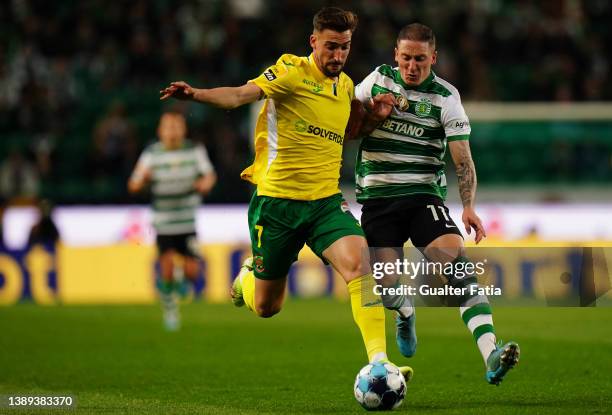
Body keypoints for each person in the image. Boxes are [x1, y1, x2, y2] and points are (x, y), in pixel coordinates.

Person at [159, 7, 411, 378]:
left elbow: (347, 131)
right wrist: (196, 94)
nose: (338, 56)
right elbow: (240, 95)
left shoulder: (343, 88)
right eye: (330, 47)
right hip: (277, 205)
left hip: (325, 203)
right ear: (314, 42)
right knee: (266, 307)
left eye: (344, 47)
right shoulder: (291, 71)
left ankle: (379, 361)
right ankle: (249, 279)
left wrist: (376, 116)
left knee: (362, 265)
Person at [348, 23, 519, 385]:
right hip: (378, 199)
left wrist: (468, 206)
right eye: (406, 58)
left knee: (456, 264)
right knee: (386, 287)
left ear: (434, 58)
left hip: (423, 196)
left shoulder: (446, 97)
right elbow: (349, 128)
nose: (412, 66)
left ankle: (490, 353)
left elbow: (462, 159)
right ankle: (405, 312)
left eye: (420, 60)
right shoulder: (376, 81)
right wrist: (374, 116)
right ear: (395, 55)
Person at [128, 110, 217, 330]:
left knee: (193, 272)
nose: (172, 131)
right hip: (164, 221)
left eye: (176, 126)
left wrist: (206, 183)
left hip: (187, 220)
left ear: (183, 129)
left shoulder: (194, 150)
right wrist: (143, 181)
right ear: (160, 130)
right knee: (166, 265)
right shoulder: (151, 154)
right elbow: (133, 184)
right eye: (168, 126)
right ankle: (170, 309)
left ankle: (179, 282)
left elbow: (209, 175)